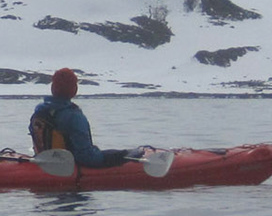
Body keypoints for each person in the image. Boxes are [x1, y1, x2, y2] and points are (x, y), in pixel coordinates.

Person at [28, 68, 168, 174]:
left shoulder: (39, 112)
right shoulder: (74, 117)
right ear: (73, 90)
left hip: (47, 161)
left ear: (53, 88)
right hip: (71, 167)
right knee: (122, 154)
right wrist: (119, 157)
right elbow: (86, 157)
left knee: (116, 153)